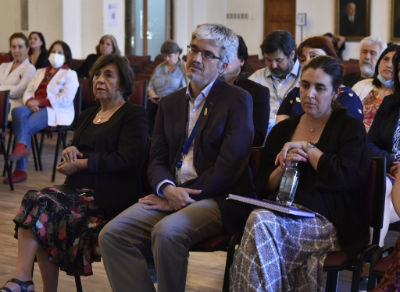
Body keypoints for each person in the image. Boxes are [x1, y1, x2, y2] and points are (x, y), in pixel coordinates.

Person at [99, 23, 255, 292]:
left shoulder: (237, 100)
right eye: (193, 50)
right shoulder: (170, 103)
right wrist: (167, 189)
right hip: (170, 193)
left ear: (224, 65)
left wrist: (180, 195)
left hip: (217, 197)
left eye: (207, 54)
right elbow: (156, 158)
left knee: (167, 232)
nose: (195, 58)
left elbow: (229, 167)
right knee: (112, 235)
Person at [0, 54, 148, 292]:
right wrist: (70, 152)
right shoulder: (88, 115)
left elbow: (129, 159)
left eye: (108, 75)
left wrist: (83, 164)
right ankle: (23, 277)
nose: (99, 79)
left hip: (110, 197)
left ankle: (24, 281)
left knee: (42, 207)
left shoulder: (133, 114)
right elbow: (77, 151)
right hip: (76, 191)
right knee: (35, 202)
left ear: (123, 82)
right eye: (97, 74)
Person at [230, 55, 370, 292]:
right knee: (261, 223)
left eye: (320, 88)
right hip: (279, 215)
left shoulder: (349, 127)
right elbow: (262, 185)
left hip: (328, 222)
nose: (309, 94)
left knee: (259, 223)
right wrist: (282, 166)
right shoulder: (282, 130)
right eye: (305, 85)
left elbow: (347, 177)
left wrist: (308, 148)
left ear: (336, 93)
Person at [5, 41, 79, 184]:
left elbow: (65, 99)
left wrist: (40, 102)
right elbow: (28, 90)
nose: (55, 55)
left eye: (59, 52)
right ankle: (21, 147)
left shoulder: (70, 74)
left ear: (66, 56)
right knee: (18, 110)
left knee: (25, 126)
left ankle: (20, 170)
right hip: (33, 105)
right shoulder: (40, 71)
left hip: (52, 109)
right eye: (53, 51)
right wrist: (30, 102)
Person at [276, 36, 363, 123]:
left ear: (330, 58)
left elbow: (348, 132)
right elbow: (280, 132)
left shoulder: (346, 96)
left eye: (314, 56)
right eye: (302, 59)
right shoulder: (294, 94)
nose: (307, 62)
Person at [367, 49, 400, 250]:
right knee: (383, 186)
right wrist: (391, 162)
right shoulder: (390, 103)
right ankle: (375, 256)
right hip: (389, 172)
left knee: (381, 195)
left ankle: (371, 256)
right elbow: (369, 144)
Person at [221, 35, 270, 147]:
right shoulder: (207, 88)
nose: (222, 60)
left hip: (237, 154)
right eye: (220, 55)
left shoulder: (258, 92)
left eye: (228, 55)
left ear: (242, 60)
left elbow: (257, 138)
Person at [249, 30, 301, 135]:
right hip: (261, 136)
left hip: (294, 135)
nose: (273, 66)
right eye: (268, 60)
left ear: (292, 54)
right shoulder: (256, 78)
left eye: (278, 60)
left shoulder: (306, 77)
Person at [352, 45, 399, 132]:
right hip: (354, 138)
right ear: (379, 62)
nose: (389, 65)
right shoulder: (361, 85)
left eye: (395, 62)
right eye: (385, 59)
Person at [146, 40, 188, 135]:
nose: (167, 59)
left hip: (174, 101)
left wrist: (168, 99)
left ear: (177, 54)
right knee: (145, 109)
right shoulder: (159, 68)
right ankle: (151, 137)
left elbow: (184, 90)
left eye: (170, 56)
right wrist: (153, 96)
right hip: (157, 101)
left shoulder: (183, 69)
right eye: (165, 56)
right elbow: (150, 87)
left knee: (167, 109)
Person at [0, 33, 35, 121]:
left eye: (20, 47)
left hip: (15, 106)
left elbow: (18, 91)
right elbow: (14, 89)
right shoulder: (3, 66)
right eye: (13, 47)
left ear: (27, 49)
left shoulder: (29, 68)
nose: (16, 50)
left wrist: (1, 88)